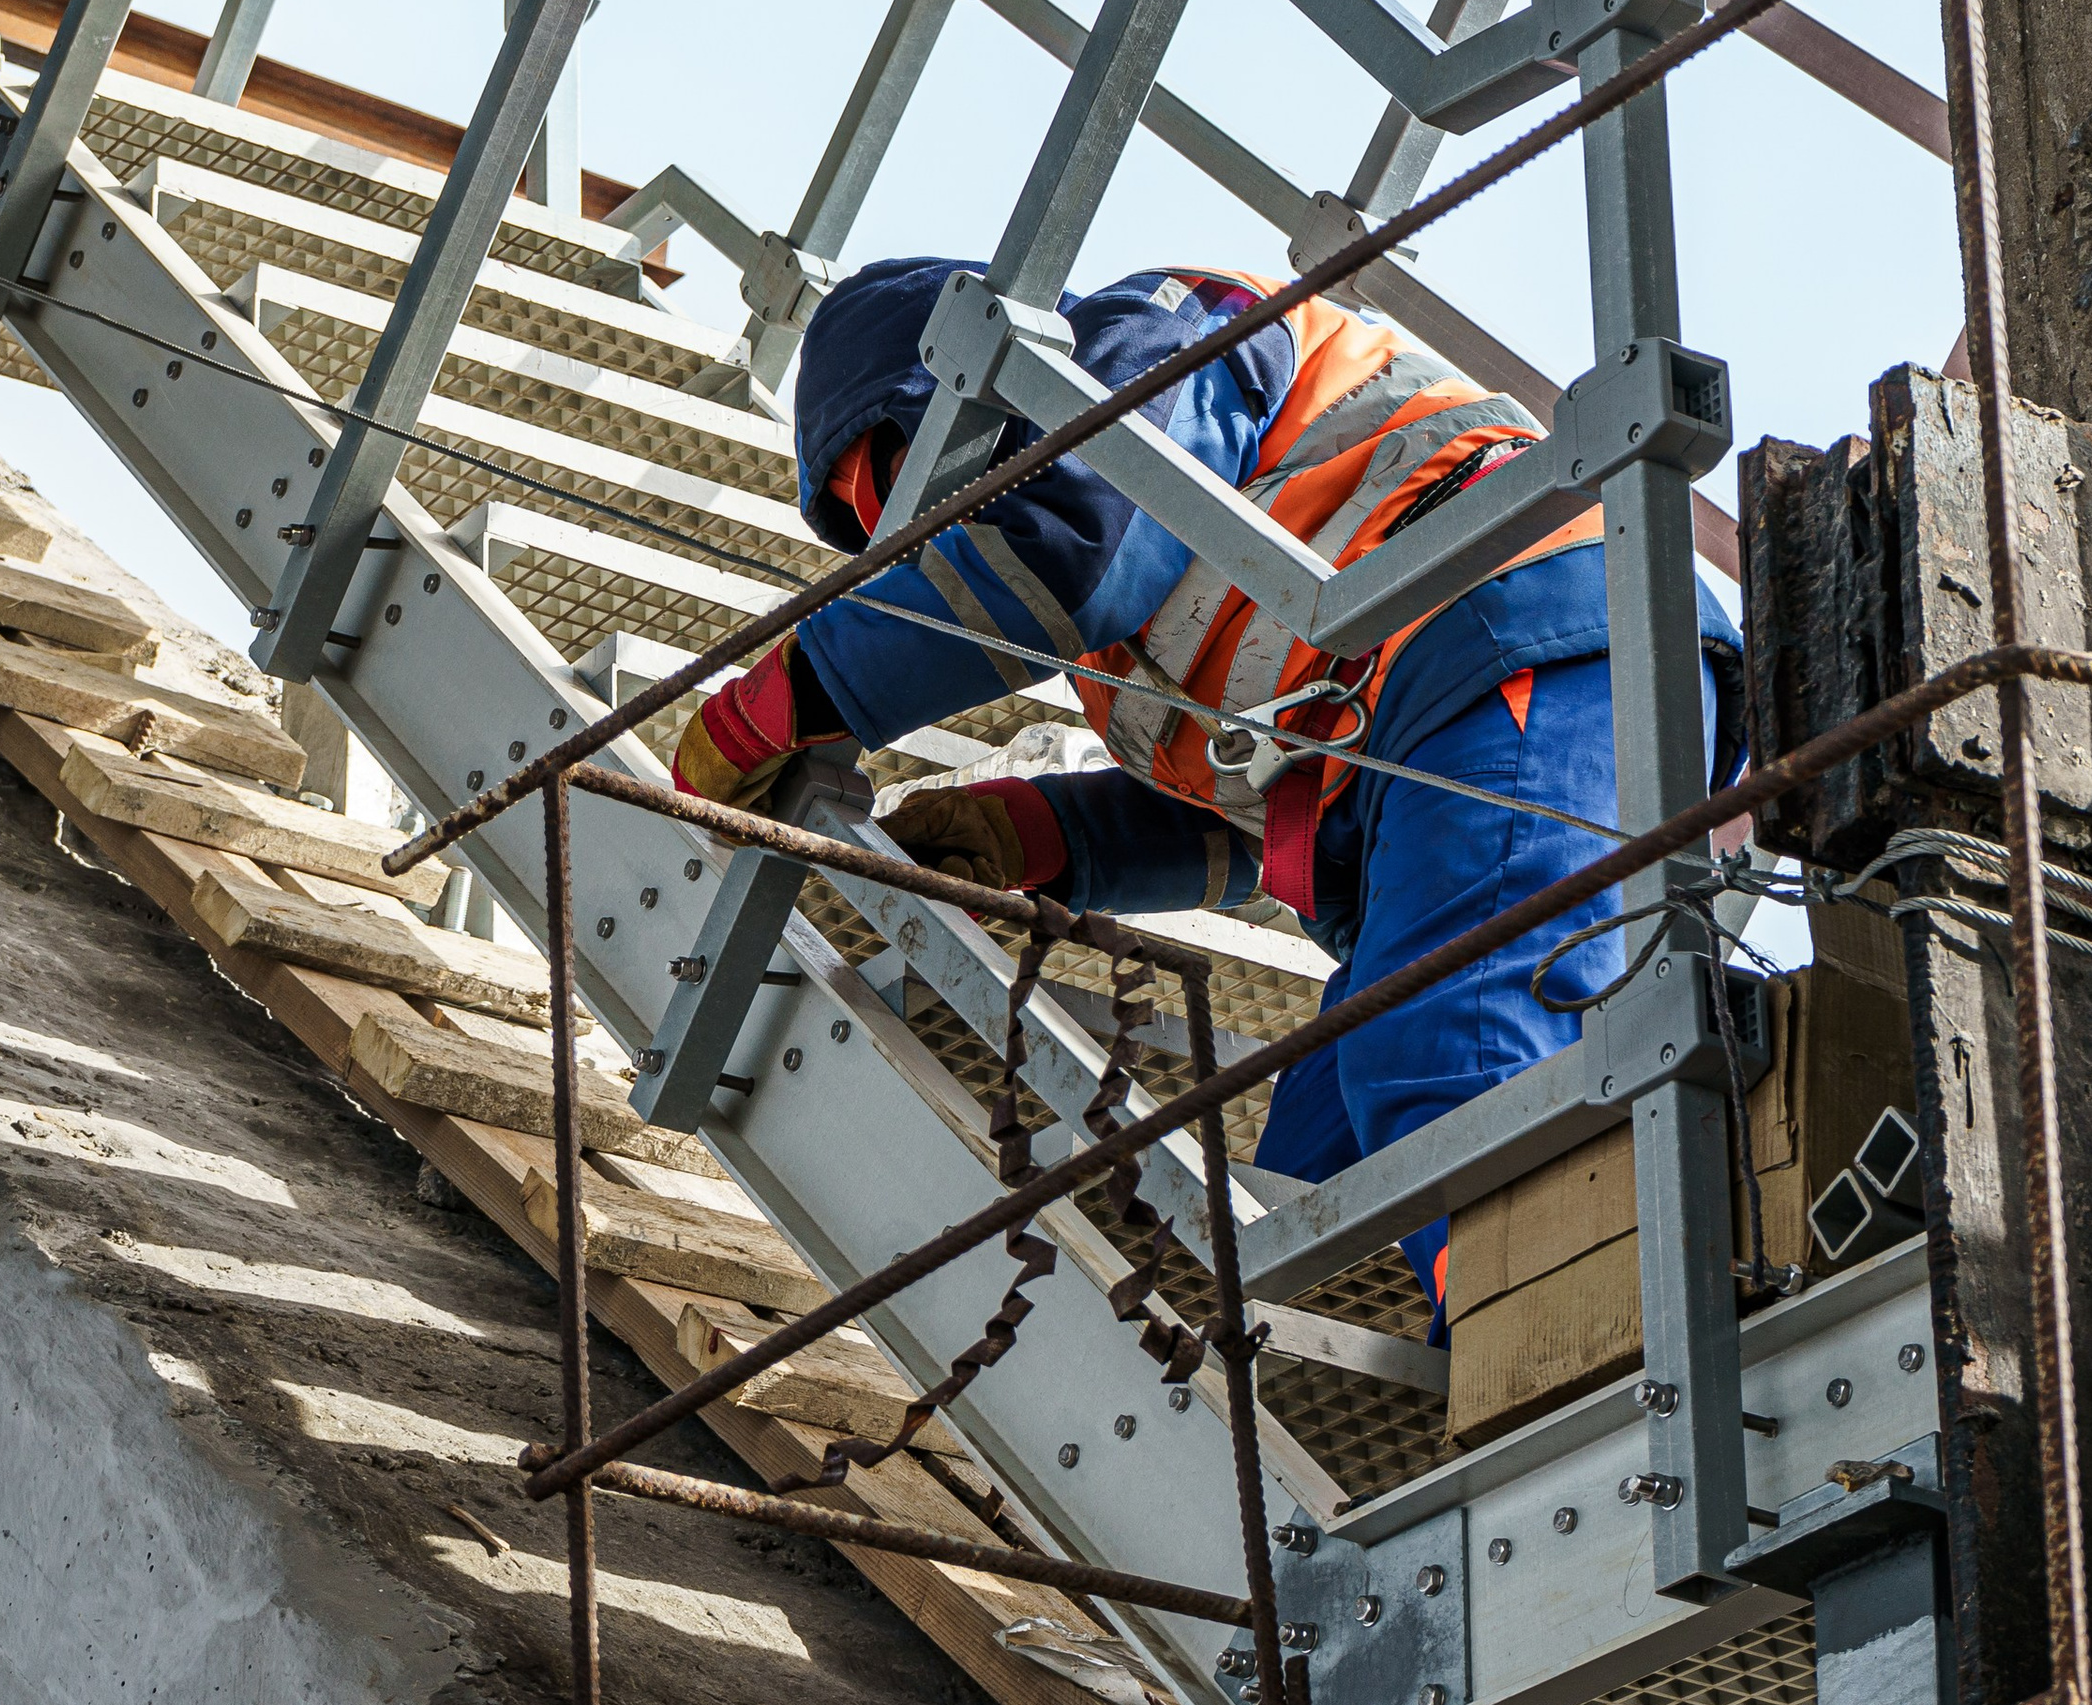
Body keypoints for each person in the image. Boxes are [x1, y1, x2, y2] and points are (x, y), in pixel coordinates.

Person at [671, 258, 1743, 1330]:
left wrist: (782, 703)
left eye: (907, 480)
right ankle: (1514, 1371)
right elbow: (1247, 815)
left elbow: (1082, 547)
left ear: (974, 381)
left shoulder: (1146, 339)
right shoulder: (1129, 651)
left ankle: (1588, 1376)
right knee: (1307, 1191)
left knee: (1449, 1055)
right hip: (1444, 745)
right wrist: (1042, 835)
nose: (925, 536)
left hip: (1516, 635)